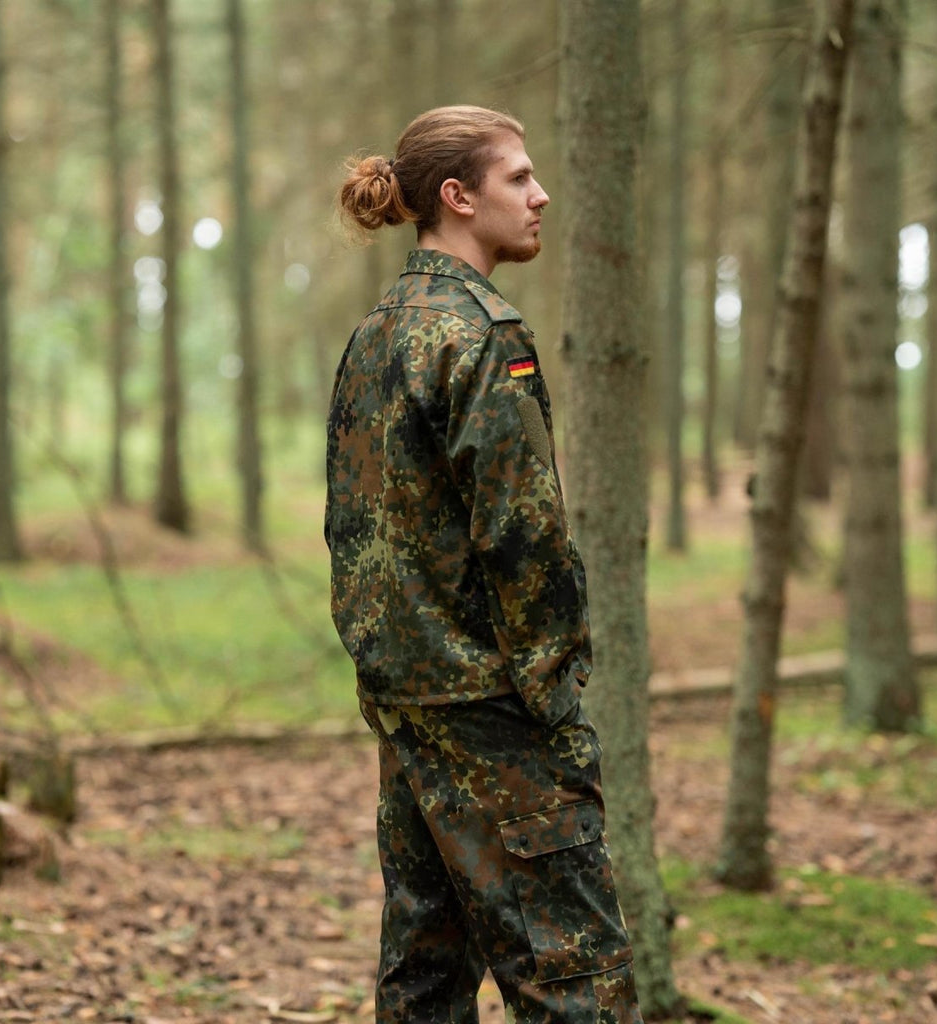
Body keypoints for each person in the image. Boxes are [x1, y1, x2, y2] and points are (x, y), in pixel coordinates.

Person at [325, 105, 643, 1023]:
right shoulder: (482, 333)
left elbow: (351, 528)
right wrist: (555, 697)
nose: (541, 195)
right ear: (459, 197)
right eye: (519, 178)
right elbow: (523, 536)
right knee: (576, 986)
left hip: (409, 708)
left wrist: (390, 676)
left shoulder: (375, 332)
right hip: (494, 712)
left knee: (423, 981)